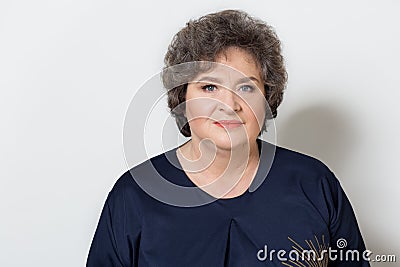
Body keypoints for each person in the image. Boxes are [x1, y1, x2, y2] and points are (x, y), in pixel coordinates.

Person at [87, 10, 370, 266]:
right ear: (182, 97)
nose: (229, 105)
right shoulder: (134, 196)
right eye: (210, 87)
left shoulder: (315, 184)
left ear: (266, 98)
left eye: (246, 87)